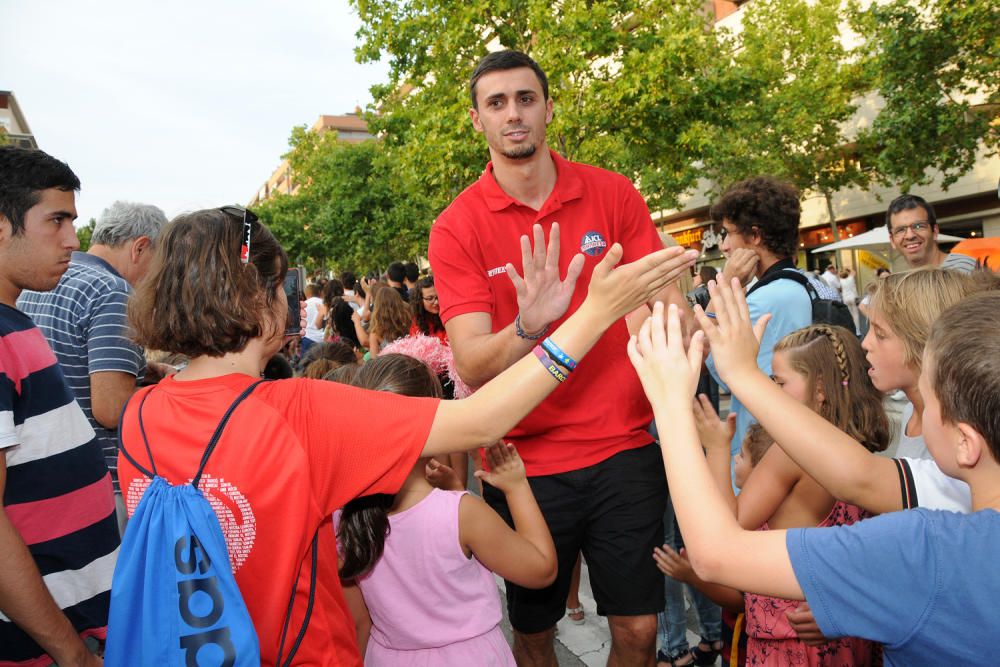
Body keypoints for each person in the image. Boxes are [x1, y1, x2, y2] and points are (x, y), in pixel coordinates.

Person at [116, 205, 685, 666]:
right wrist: (594, 314)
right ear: (259, 297)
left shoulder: (139, 415)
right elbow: (482, 419)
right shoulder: (298, 412)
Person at [428, 49, 697, 666]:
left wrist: (681, 321)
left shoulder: (612, 192)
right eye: (497, 103)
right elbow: (470, 364)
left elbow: (661, 303)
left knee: (639, 631)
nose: (513, 114)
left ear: (548, 109)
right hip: (522, 463)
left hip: (623, 447)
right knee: (533, 634)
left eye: (525, 99)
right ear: (477, 119)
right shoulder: (456, 226)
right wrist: (529, 325)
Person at [628, 283, 1000, 666]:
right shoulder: (938, 510)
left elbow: (716, 554)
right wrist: (741, 373)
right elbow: (859, 476)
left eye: (928, 397)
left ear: (965, 442)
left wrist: (670, 403)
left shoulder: (922, 548)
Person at [338, 354, 554, 665]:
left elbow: (360, 621)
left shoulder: (343, 517)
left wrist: (452, 491)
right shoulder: (462, 513)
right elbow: (541, 569)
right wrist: (516, 486)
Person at [698, 324, 888, 666]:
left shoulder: (792, 454)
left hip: (789, 639)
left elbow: (727, 530)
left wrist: (716, 448)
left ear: (820, 389)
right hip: (847, 634)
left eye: (780, 382)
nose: (771, 391)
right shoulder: (857, 447)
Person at [0, 146, 116, 667]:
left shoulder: (15, 322)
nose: (73, 240)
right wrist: (69, 650)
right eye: (56, 220)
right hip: (42, 645)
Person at [17, 200, 169, 522]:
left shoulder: (39, 281)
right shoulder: (113, 291)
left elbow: (70, 359)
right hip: (100, 482)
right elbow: (111, 409)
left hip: (42, 474)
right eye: (160, 264)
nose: (158, 279)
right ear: (140, 248)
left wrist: (140, 371)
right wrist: (175, 390)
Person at [704, 177, 819, 457]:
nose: (725, 246)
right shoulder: (800, 284)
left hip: (762, 443)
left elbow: (712, 356)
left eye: (729, 233)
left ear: (755, 236)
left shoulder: (764, 299)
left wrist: (724, 286)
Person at [886, 194, 976, 272]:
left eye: (918, 226)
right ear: (892, 240)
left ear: (935, 231)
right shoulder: (903, 283)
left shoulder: (964, 270)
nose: (910, 235)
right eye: (901, 230)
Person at [367, 285, 411, 358]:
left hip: (393, 364)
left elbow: (374, 359)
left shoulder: (376, 332)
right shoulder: (408, 320)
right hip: (413, 360)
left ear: (377, 306)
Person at [409, 275, 448, 343]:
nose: (436, 302)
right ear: (420, 300)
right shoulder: (417, 322)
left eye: (438, 297)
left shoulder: (450, 315)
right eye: (430, 298)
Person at [302, 282, 325, 352]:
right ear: (318, 292)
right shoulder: (324, 303)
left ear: (306, 294)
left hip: (308, 338)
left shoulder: (304, 305)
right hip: (323, 339)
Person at [838, 268, 859, 333]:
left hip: (845, 298)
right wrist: (848, 268)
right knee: (855, 314)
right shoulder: (851, 278)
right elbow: (854, 272)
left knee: (850, 315)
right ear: (847, 274)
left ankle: (852, 330)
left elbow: (839, 288)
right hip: (852, 297)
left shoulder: (840, 281)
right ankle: (858, 330)